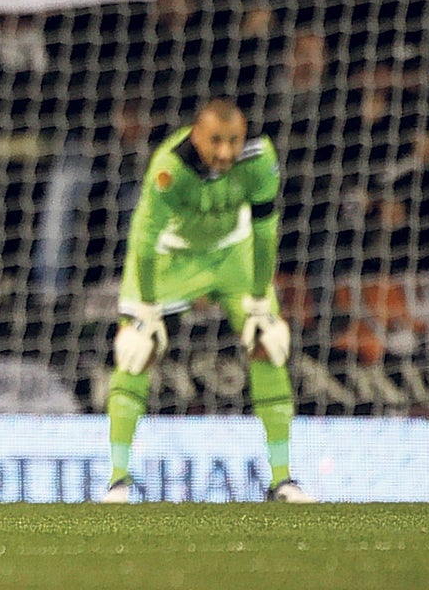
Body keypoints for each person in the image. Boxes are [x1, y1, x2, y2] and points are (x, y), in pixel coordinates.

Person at [102, 97, 315, 504]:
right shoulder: (170, 167)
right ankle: (118, 481)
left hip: (232, 255)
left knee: (268, 342)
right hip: (171, 257)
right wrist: (146, 310)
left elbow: (266, 233)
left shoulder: (260, 158)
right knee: (135, 351)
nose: (225, 152)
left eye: (233, 141)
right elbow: (144, 241)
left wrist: (257, 300)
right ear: (196, 135)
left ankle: (284, 481)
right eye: (215, 141)